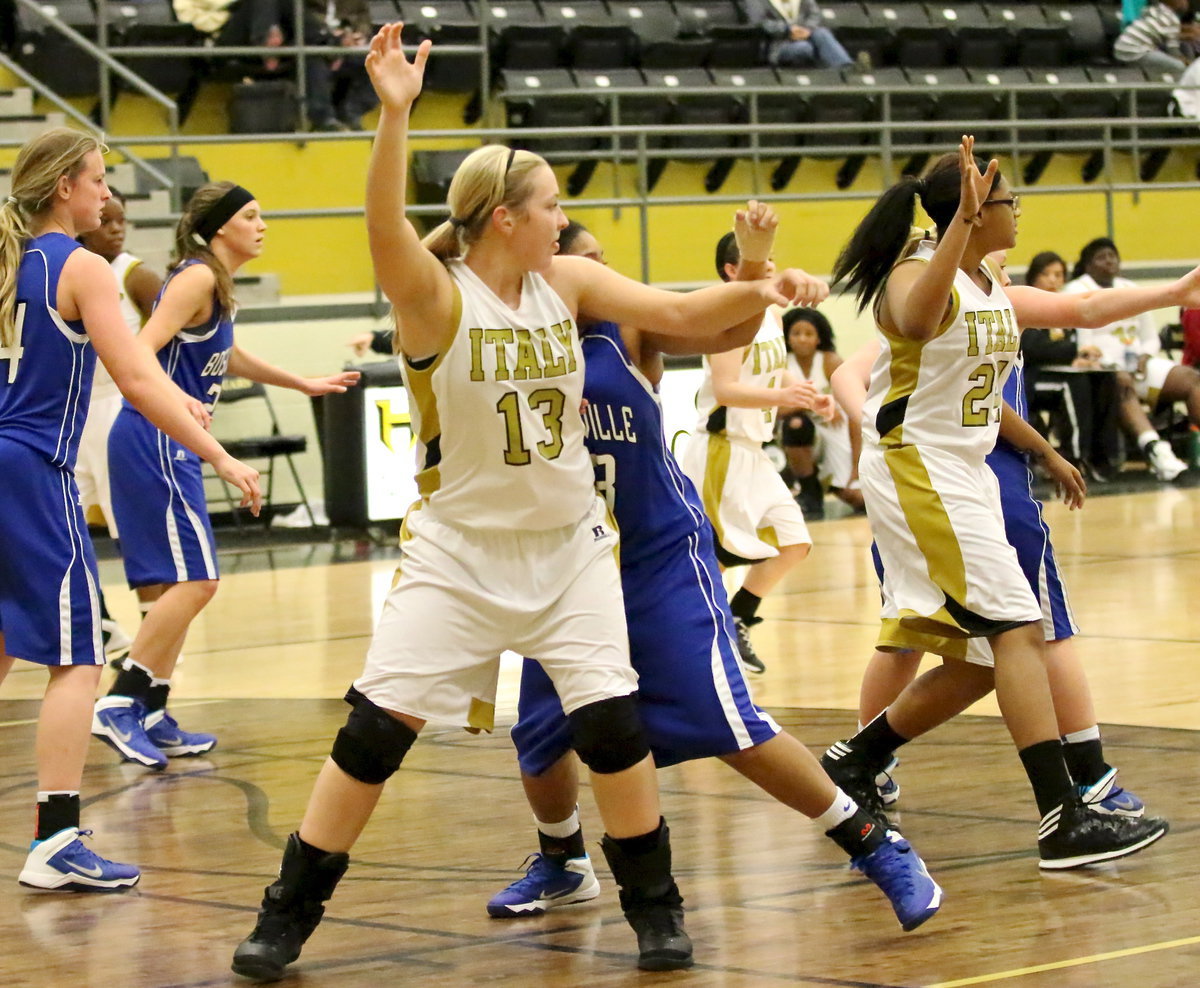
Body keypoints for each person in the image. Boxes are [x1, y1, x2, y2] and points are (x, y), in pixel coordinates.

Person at [230, 23, 829, 981]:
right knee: (371, 737)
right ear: (505, 216)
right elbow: (385, 225)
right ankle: (287, 915)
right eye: (551, 205)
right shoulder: (434, 296)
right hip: (458, 554)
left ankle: (656, 914)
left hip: (570, 549)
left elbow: (682, 314)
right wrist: (393, 116)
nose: (564, 218)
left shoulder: (568, 282)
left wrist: (764, 279)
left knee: (612, 729)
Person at [485, 214, 944, 936]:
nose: (606, 270)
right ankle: (564, 862)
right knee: (540, 736)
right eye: (590, 259)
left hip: (656, 556)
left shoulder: (623, 331)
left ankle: (876, 845)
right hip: (565, 569)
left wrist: (760, 268)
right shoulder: (498, 341)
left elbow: (722, 333)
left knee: (730, 725)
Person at [821, 137, 1188, 869]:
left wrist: (1176, 293)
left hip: (966, 476)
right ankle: (1064, 817)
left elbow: (1085, 308)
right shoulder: (913, 273)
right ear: (971, 208)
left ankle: (857, 759)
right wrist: (956, 222)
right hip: (920, 469)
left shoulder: (993, 288)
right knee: (1019, 629)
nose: (1017, 210)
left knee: (992, 657)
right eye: (1006, 200)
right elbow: (919, 322)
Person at [0, 127, 260, 893]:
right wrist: (219, 454)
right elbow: (140, 381)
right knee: (78, 661)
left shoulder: (8, 261)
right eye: (98, 180)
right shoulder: (78, 267)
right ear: (62, 191)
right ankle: (55, 839)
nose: (107, 193)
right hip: (32, 467)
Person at [830, 265, 1148, 833]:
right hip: (952, 483)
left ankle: (864, 760)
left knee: (930, 644)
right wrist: (1176, 292)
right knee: (1040, 629)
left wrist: (1046, 450)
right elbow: (1086, 309)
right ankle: (1085, 779)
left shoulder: (971, 305)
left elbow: (861, 379)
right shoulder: (950, 295)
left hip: (932, 483)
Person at [90, 181, 360, 771]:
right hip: (154, 438)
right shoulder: (197, 278)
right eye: (251, 215)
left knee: (173, 590)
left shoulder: (215, 286)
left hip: (166, 442)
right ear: (219, 228)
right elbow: (138, 351)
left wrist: (301, 382)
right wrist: (179, 404)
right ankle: (119, 701)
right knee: (198, 583)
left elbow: (227, 356)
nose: (262, 225)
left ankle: (153, 711)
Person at [679, 232, 819, 675]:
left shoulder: (773, 313)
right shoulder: (726, 316)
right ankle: (693, 644)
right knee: (712, 557)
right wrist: (783, 399)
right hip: (720, 450)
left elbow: (769, 380)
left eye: (773, 259)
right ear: (731, 272)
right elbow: (726, 389)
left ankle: (736, 616)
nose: (771, 267)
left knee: (794, 542)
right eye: (759, 262)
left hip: (753, 451)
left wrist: (812, 398)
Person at [75, 189, 164, 660]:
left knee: (132, 528)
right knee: (67, 526)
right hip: (72, 415)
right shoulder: (67, 269)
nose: (115, 227)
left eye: (121, 220)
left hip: (118, 410)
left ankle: (154, 638)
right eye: (106, 220)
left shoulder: (136, 275)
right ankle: (104, 625)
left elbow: (176, 332)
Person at [1064, 237, 1200, 481]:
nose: (1109, 261)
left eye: (1112, 256)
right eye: (1101, 257)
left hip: (1139, 365)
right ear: (1088, 265)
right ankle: (1158, 452)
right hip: (1101, 371)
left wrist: (1146, 356)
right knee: (1122, 381)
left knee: (1191, 379)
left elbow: (1150, 338)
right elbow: (1082, 343)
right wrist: (1104, 362)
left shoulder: (1129, 287)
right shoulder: (1076, 289)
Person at [1018, 250, 1123, 482]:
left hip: (1057, 374)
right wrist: (1073, 353)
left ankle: (1102, 454)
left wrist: (1082, 358)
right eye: (1047, 274)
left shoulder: (1063, 307)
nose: (1053, 280)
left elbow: (1074, 344)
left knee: (1103, 378)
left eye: (1059, 275)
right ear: (1034, 277)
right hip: (1029, 379)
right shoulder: (1025, 303)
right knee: (1072, 384)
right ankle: (1074, 455)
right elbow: (1033, 349)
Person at [778, 305, 863, 519]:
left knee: (855, 496)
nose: (802, 339)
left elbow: (855, 413)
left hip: (835, 428)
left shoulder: (830, 361)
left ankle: (832, 484)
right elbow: (775, 409)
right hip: (799, 431)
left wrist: (857, 464)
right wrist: (811, 403)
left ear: (819, 338)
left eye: (808, 334)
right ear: (787, 338)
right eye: (796, 333)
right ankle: (809, 491)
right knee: (796, 425)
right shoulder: (781, 365)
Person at [747, 0, 856, 69]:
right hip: (778, 44)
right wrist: (788, 29)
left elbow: (815, 13)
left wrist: (806, 29)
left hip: (806, 35)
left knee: (822, 33)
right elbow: (759, 23)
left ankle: (846, 68)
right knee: (804, 48)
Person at [1113, 0, 1194, 74]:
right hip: (1136, 53)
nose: (1185, 3)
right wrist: (1188, 64)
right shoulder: (1172, 19)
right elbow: (1173, 51)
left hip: (1120, 49)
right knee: (1180, 67)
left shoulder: (1154, 10)